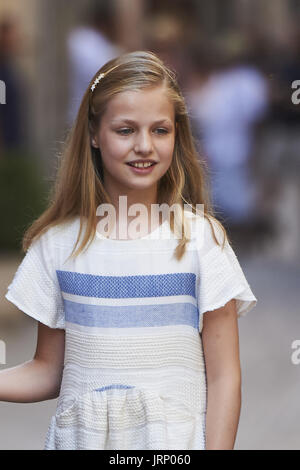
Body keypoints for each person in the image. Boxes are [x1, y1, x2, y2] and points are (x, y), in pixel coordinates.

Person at [2, 51, 257, 450]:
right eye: (125, 130)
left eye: (160, 130)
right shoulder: (57, 245)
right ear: (93, 133)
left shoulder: (201, 240)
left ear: (178, 134)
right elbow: (48, 371)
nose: (144, 146)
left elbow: (224, 377)